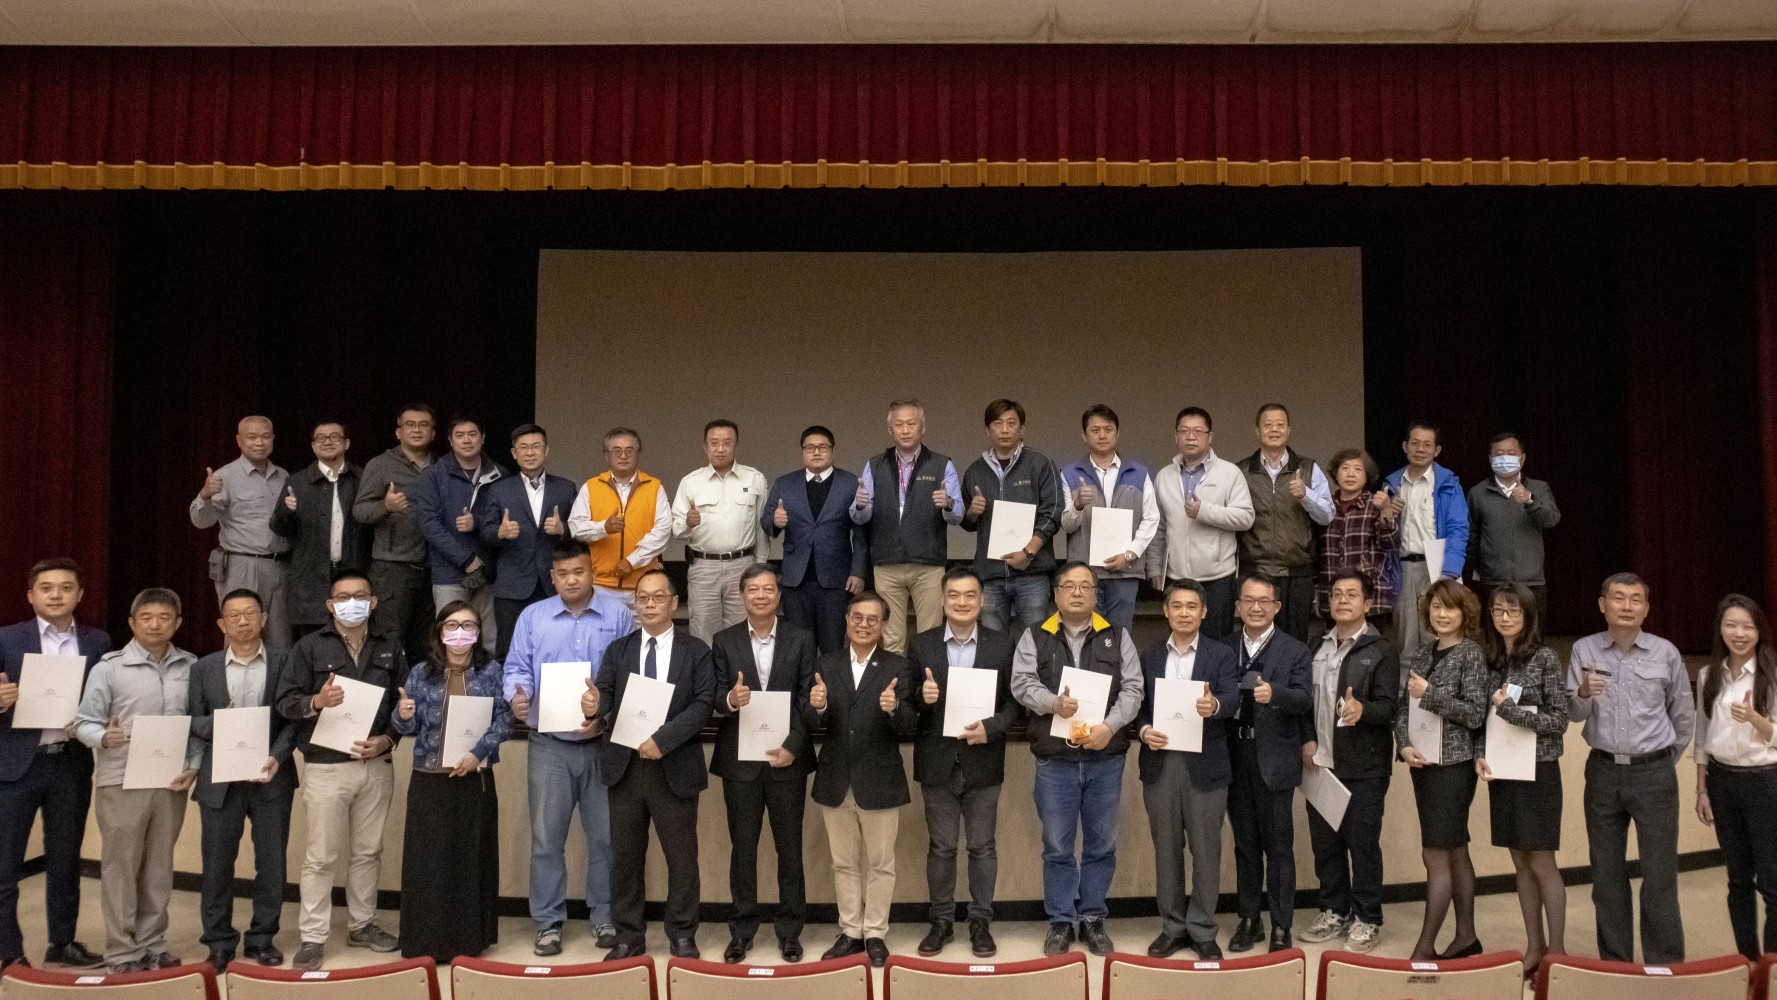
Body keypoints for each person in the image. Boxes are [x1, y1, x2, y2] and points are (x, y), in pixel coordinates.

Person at [274, 569, 407, 971]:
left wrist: (389, 739)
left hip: (376, 764)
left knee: (368, 851)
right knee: (320, 857)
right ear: (330, 605)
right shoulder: (308, 647)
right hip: (326, 767)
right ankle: (313, 937)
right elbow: (285, 702)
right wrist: (316, 702)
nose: (353, 603)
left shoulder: (390, 646)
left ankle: (362, 925)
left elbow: (404, 705)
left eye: (360, 595)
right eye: (343, 597)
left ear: (373, 602)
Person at [1009, 562, 1143, 957]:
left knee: (1102, 844)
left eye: (1086, 586)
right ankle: (1061, 921)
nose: (1078, 592)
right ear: (1056, 594)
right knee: (1057, 847)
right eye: (1069, 586)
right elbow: (1021, 683)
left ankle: (1092, 918)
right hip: (1055, 761)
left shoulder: (1117, 635)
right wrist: (1053, 703)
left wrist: (1111, 726)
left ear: (1096, 594)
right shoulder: (1035, 635)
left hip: (1105, 758)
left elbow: (1133, 690)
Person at [503, 543, 630, 955]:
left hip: (602, 743)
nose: (571, 580)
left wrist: (605, 714)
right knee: (546, 839)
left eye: (579, 571)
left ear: (592, 571)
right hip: (549, 746)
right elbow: (516, 668)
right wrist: (517, 696)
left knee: (605, 840)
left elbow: (628, 673)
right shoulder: (533, 617)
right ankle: (547, 923)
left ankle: (605, 917)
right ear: (553, 578)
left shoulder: (618, 614)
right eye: (563, 574)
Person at [1568, 572, 1692, 964]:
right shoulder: (1584, 650)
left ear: (1646, 608)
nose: (1626, 606)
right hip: (1603, 772)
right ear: (1602, 605)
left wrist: (1660, 762)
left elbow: (1683, 718)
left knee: (1659, 876)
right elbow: (1573, 712)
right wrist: (1583, 692)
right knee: (1606, 875)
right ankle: (1615, 961)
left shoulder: (1665, 653)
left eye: (1635, 599)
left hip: (1654, 774)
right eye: (1618, 598)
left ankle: (1664, 963)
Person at [592, 570, 715, 960]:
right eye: (642, 598)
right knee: (626, 858)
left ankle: (682, 933)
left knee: (682, 858)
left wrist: (663, 740)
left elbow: (703, 704)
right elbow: (605, 694)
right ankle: (629, 935)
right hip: (625, 768)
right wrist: (594, 707)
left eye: (657, 597)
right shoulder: (618, 650)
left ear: (674, 603)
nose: (649, 604)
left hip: (675, 766)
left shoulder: (696, 651)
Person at [73, 588, 198, 973]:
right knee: (121, 868)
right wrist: (101, 737)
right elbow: (82, 723)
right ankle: (122, 951)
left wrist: (194, 765)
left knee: (159, 868)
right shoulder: (108, 669)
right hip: (121, 780)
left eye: (164, 617)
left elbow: (196, 726)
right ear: (132, 623)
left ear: (177, 623)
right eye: (146, 617)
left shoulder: (191, 666)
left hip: (170, 781)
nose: (155, 624)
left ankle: (152, 944)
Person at [0, 557, 110, 971]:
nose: (56, 595)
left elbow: (105, 696)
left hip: (70, 763)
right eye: (46, 588)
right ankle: (9, 951)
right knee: (5, 864)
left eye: (66, 588)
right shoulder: (6, 638)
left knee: (65, 859)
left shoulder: (98, 641)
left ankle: (62, 943)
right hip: (15, 765)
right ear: (31, 596)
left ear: (80, 595)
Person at [907, 567, 1023, 958]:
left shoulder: (1001, 644)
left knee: (982, 847)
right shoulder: (921, 644)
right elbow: (905, 706)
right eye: (954, 595)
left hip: (983, 759)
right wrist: (922, 698)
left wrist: (992, 727)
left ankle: (980, 922)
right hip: (937, 760)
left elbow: (1014, 704)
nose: (962, 602)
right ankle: (941, 922)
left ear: (982, 601)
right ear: (942, 600)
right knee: (941, 847)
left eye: (970, 595)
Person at [391, 601, 513, 963]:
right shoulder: (420, 673)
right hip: (430, 780)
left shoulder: (491, 672)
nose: (460, 633)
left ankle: (467, 942)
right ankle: (426, 942)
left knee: (469, 861)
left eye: (468, 625)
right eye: (452, 625)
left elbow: (504, 719)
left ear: (478, 632)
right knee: (428, 863)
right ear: (440, 631)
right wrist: (402, 715)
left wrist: (479, 752)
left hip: (474, 778)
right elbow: (407, 727)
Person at [187, 589, 298, 972]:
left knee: (271, 863)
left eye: (250, 613)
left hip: (271, 777)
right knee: (217, 864)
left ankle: (262, 938)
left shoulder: (285, 661)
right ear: (222, 623)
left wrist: (277, 757)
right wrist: (219, 722)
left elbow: (293, 718)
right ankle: (218, 941)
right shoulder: (203, 668)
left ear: (264, 619)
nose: (242, 621)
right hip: (220, 781)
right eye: (233, 615)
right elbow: (192, 720)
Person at [709, 565, 816, 963]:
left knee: (790, 850)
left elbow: (808, 698)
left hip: (787, 760)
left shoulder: (802, 638)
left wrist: (793, 746)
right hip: (740, 763)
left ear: (779, 596)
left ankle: (790, 931)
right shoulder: (724, 640)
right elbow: (714, 694)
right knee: (743, 850)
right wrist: (729, 700)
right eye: (752, 589)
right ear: (742, 596)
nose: (760, 595)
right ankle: (741, 931)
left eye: (768, 589)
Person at [808, 591, 917, 967]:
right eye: (857, 617)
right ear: (846, 621)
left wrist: (895, 708)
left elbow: (910, 725)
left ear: (884, 625)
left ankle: (875, 933)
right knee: (843, 863)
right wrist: (818, 706)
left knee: (881, 863)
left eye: (873, 619)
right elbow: (810, 721)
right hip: (835, 778)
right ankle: (851, 931)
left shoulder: (898, 666)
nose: (864, 625)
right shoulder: (825, 664)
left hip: (880, 779)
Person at [1136, 580, 1237, 960]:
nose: (1183, 613)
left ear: (1203, 612)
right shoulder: (1149, 655)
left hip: (1205, 766)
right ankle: (1173, 927)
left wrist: (1215, 706)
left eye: (1191, 606)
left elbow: (1232, 698)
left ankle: (1203, 929)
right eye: (1176, 606)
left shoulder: (1221, 654)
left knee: (1206, 850)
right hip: (1161, 763)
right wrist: (1144, 730)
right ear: (1166, 611)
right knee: (1166, 849)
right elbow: (1138, 707)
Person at [1298, 573, 1399, 955]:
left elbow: (1389, 707)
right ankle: (1334, 911)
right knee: (1326, 846)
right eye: (1337, 594)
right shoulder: (1315, 646)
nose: (1342, 600)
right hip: (1320, 764)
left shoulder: (1381, 650)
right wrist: (1307, 739)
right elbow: (1303, 702)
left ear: (1367, 604)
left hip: (1364, 767)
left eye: (1351, 594)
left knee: (1363, 845)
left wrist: (1363, 710)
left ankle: (1368, 917)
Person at [1475, 582, 1568, 978]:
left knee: (1542, 862)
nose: (1505, 617)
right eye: (1498, 610)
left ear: (1528, 616)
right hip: (1504, 770)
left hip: (1538, 771)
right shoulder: (1492, 660)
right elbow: (1482, 716)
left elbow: (1559, 720)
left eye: (1513, 611)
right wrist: (1480, 752)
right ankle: (1535, 946)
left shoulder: (1545, 658)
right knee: (1519, 862)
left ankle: (1558, 953)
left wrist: (1511, 711)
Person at [1395, 578, 1489, 962]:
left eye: (1449, 607)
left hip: (1453, 766)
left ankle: (1424, 948)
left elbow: (1475, 714)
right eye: (1436, 607)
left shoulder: (1472, 654)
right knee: (1455, 851)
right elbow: (1403, 707)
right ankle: (1467, 936)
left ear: (1464, 612)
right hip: (1422, 763)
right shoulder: (1421, 653)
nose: (1442, 614)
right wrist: (1403, 744)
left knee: (1435, 856)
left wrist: (1430, 695)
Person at [1223, 573, 1312, 953]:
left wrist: (1276, 694)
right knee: (1245, 845)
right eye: (1249, 600)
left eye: (1264, 601)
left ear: (1276, 607)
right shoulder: (1225, 648)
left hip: (1275, 759)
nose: (1256, 607)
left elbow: (1304, 700)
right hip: (1234, 757)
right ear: (1238, 606)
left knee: (1278, 848)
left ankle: (1280, 925)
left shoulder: (1295, 650)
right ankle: (1249, 920)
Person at [1694, 594, 1777, 961]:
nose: (1739, 633)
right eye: (1731, 625)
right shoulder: (1708, 675)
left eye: (1747, 626)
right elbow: (1702, 735)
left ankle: (1771, 967)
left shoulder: (1772, 675)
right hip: (1722, 783)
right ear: (1721, 630)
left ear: (1759, 631)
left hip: (1766, 783)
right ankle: (1748, 962)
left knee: (1772, 882)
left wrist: (1756, 719)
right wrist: (1701, 790)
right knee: (1738, 879)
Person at [849, 400, 963, 653]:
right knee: (891, 639)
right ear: (890, 430)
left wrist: (948, 503)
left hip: (928, 564)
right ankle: (897, 680)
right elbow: (860, 517)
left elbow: (957, 516)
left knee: (930, 636)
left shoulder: (941, 464)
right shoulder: (875, 464)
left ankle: (927, 680)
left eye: (911, 424)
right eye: (899, 425)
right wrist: (860, 505)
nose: (905, 430)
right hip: (887, 563)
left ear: (923, 427)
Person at [960, 399, 1063, 634]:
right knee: (993, 644)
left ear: (1022, 428)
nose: (1004, 430)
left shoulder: (1040, 463)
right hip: (990, 574)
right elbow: (967, 523)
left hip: (1033, 573)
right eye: (998, 424)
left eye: (1011, 423)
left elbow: (1053, 512)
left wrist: (1028, 552)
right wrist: (972, 512)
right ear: (988, 430)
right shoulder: (975, 470)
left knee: (1036, 641)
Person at [474, 423, 577, 659]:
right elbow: (485, 532)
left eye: (536, 447)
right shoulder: (500, 490)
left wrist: (563, 529)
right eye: (523, 447)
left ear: (546, 451)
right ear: (514, 453)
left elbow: (582, 531)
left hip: (553, 584)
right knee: (508, 650)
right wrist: (500, 532)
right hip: (512, 585)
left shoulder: (565, 488)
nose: (530, 453)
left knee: (556, 648)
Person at [763, 425, 867, 655]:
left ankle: (830, 681)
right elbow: (766, 521)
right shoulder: (784, 484)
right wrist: (775, 521)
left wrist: (858, 572)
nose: (816, 452)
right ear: (802, 452)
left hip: (836, 580)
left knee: (834, 646)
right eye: (810, 448)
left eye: (822, 447)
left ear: (833, 451)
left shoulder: (850, 483)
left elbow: (861, 533)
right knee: (799, 647)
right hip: (796, 580)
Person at [1153, 407, 1253, 640]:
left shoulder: (1230, 473)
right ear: (1176, 436)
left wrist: (1205, 511)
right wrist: (1155, 568)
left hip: (1217, 578)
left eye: (1198, 431)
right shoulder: (1164, 476)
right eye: (1184, 431)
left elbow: (1246, 517)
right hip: (1177, 577)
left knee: (1217, 645)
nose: (1191, 437)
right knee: (1180, 642)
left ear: (1210, 437)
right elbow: (1159, 527)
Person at [191, 416, 291, 646]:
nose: (259, 442)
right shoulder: (225, 476)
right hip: (243, 565)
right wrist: (205, 495)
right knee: (242, 635)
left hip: (282, 566)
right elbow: (202, 521)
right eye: (252, 437)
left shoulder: (283, 476)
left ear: (273, 439)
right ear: (239, 440)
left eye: (265, 436)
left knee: (281, 640)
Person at [1058, 404, 1159, 634]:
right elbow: (1067, 525)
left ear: (1117, 433)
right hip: (1084, 574)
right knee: (1085, 636)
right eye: (1095, 430)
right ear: (1084, 436)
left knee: (1120, 636)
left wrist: (1131, 554)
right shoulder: (1070, 474)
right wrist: (1077, 505)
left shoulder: (1139, 473)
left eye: (1108, 429)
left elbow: (1151, 518)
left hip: (1125, 571)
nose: (1102, 435)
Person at [1235, 404, 1333, 641]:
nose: (1274, 430)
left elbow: (1327, 515)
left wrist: (1306, 495)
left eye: (1280, 425)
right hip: (1256, 569)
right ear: (1257, 431)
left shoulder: (1308, 468)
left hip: (1297, 570)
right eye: (1267, 425)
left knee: (1295, 639)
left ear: (1288, 430)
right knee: (1257, 636)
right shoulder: (1242, 471)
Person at [271, 421, 372, 639]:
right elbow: (279, 529)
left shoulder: (363, 478)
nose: (327, 442)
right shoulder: (297, 481)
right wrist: (287, 511)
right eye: (320, 438)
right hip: (310, 580)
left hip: (352, 574)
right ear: (313, 446)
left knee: (354, 638)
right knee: (313, 643)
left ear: (346, 443)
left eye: (334, 437)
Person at [352, 403, 437, 662]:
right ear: (398, 432)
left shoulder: (442, 466)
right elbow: (360, 510)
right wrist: (385, 507)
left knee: (427, 644)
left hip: (433, 569)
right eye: (410, 424)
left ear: (433, 433)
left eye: (423, 425)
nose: (417, 430)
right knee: (390, 642)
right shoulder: (380, 465)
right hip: (393, 570)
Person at [673, 419, 770, 644]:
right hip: (703, 567)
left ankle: (738, 669)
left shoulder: (754, 478)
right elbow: (676, 529)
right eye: (714, 443)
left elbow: (761, 528)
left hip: (743, 566)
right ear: (705, 447)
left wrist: (760, 568)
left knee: (742, 630)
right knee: (702, 629)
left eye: (727, 443)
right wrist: (688, 523)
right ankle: (707, 669)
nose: (720, 448)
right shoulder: (690, 482)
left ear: (736, 445)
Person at [412, 417, 502, 654]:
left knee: (488, 640)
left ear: (483, 438)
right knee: (452, 639)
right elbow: (428, 524)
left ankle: (488, 680)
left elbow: (503, 522)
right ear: (450, 441)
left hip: (488, 573)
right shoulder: (433, 475)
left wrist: (477, 523)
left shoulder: (499, 474)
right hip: (449, 573)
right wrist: (466, 559)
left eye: (472, 434)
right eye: (459, 435)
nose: (466, 440)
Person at [1383, 422, 1468, 656]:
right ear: (1405, 446)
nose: (1420, 449)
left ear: (1436, 450)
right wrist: (1387, 513)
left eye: (1427, 445)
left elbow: (1458, 529)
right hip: (1402, 568)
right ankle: (1407, 681)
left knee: (1440, 634)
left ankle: (1440, 681)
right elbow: (1382, 534)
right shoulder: (1392, 485)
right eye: (1415, 443)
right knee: (1405, 639)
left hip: (1438, 565)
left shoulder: (1449, 484)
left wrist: (1450, 571)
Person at [568, 427, 671, 609]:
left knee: (644, 628)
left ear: (638, 454)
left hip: (644, 584)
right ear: (606, 455)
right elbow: (576, 528)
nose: (623, 456)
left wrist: (633, 561)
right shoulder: (591, 487)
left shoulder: (654, 487)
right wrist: (603, 528)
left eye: (629, 450)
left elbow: (663, 531)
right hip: (601, 586)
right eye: (617, 451)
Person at [1467, 433, 1561, 622]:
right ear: (1490, 459)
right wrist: (1484, 570)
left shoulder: (1539, 488)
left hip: (1531, 582)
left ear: (1522, 458)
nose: (1504, 458)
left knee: (1533, 635)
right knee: (1496, 634)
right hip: (1494, 582)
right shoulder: (1478, 493)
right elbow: (1471, 537)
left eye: (1510, 454)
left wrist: (1530, 500)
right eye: (1499, 454)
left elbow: (1551, 520)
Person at [1316, 449, 1401, 631]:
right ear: (1336, 474)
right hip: (1334, 596)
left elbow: (1390, 544)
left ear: (1366, 476)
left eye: (1358, 469)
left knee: (1370, 647)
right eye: (1345, 468)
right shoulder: (1325, 507)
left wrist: (1386, 511)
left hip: (1370, 597)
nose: (1351, 474)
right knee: (1335, 646)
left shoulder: (1377, 504)